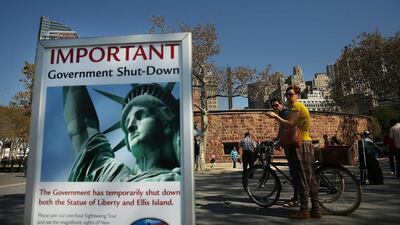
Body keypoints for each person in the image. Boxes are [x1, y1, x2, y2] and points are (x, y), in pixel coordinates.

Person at [63, 83, 180, 182]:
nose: (130, 126)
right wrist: (70, 72)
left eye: (140, 115)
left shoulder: (182, 180)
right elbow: (82, 129)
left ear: (166, 123)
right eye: (127, 122)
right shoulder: (113, 177)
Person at [266, 85, 320, 219]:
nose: (289, 96)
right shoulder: (293, 107)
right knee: (310, 178)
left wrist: (274, 117)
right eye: (287, 94)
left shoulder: (296, 106)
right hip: (304, 142)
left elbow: (289, 124)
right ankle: (316, 209)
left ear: (298, 95)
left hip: (300, 144)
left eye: (291, 94)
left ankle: (304, 210)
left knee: (302, 177)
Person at [269, 97, 299, 208]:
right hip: (289, 146)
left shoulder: (285, 113)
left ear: (281, 104)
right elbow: (281, 130)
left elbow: (288, 127)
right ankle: (297, 197)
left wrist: (279, 142)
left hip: (293, 146)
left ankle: (297, 199)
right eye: (272, 106)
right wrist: (276, 139)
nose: (274, 108)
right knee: (293, 172)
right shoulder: (281, 115)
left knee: (295, 173)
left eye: (276, 105)